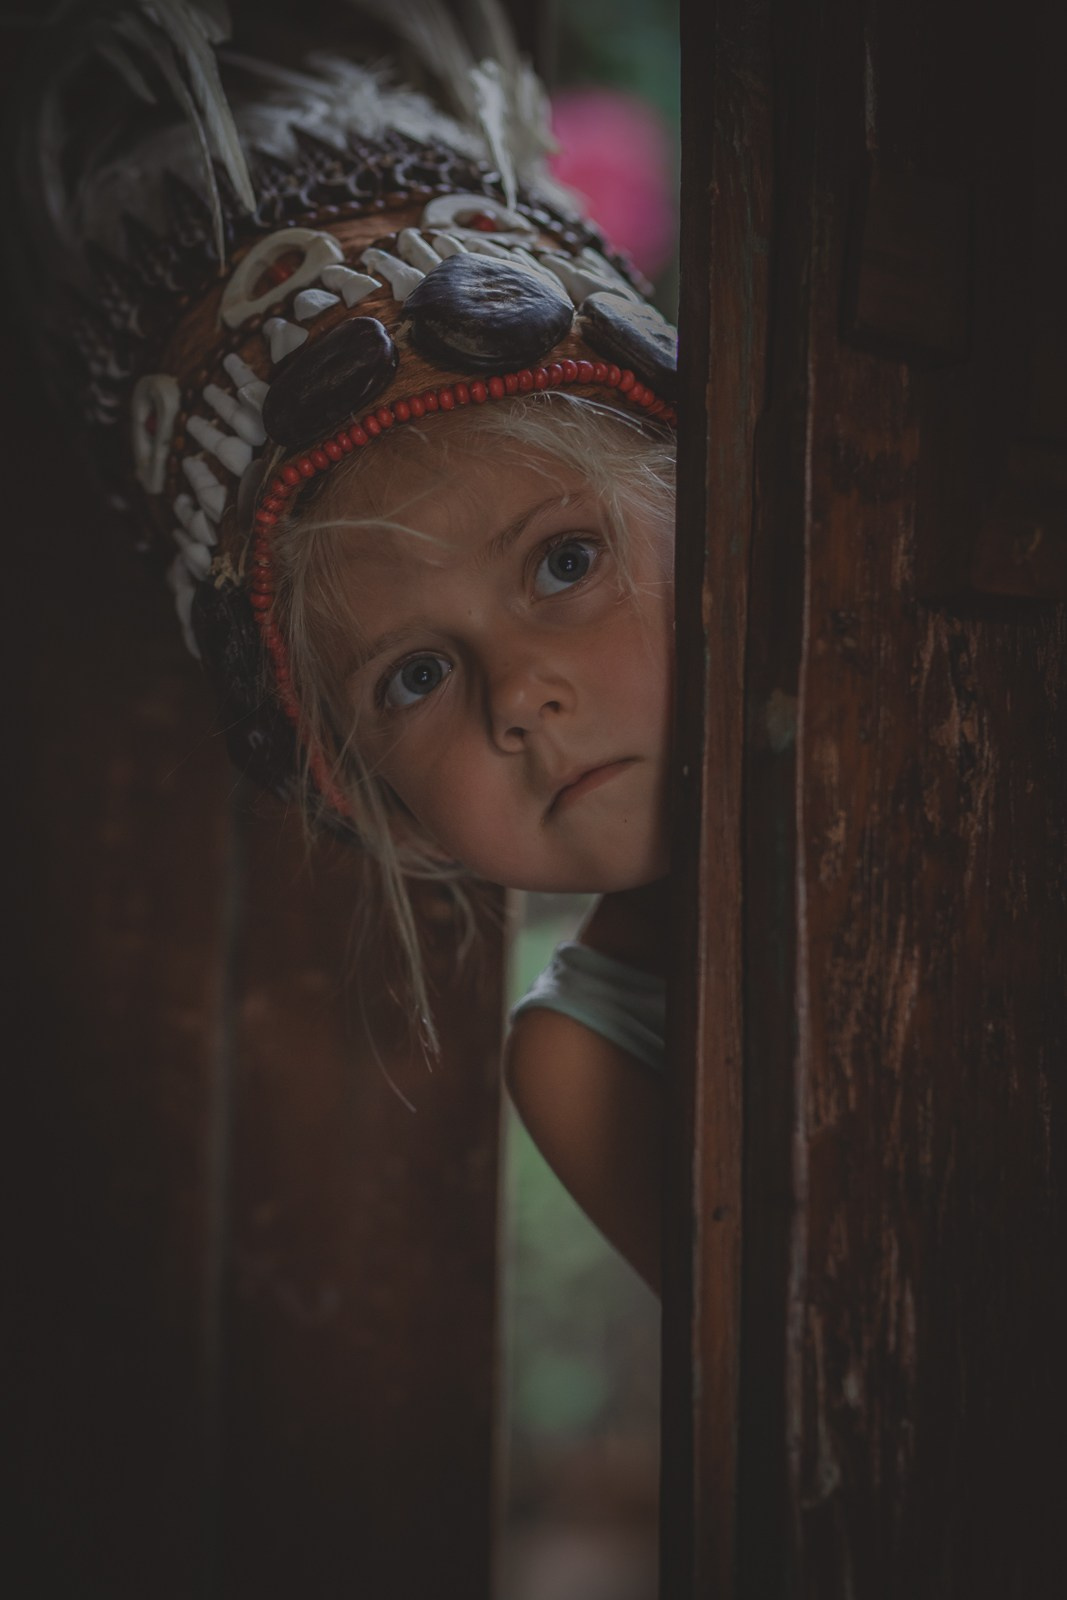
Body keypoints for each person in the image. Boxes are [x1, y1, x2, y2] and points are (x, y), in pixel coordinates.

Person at [8, 0, 677, 1293]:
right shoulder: (588, 1066)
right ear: (374, 796)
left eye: (564, 562)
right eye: (414, 676)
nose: (519, 698)